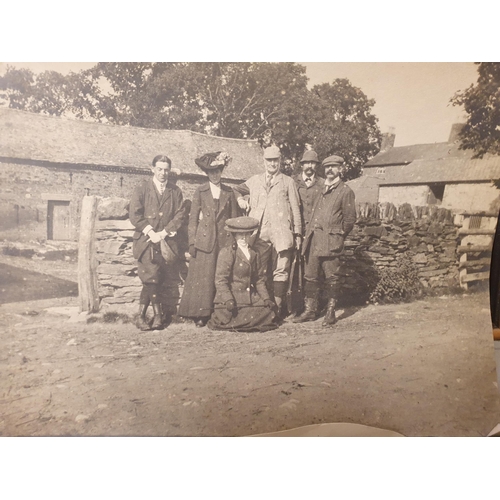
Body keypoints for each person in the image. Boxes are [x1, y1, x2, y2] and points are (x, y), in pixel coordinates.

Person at [233, 145, 302, 318]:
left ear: (280, 161)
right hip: (259, 234)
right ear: (264, 161)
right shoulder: (254, 180)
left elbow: (295, 209)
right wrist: (241, 199)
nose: (272, 163)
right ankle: (261, 307)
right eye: (269, 160)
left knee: (281, 270)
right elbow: (236, 189)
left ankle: (277, 309)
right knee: (259, 271)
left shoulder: (288, 182)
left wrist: (298, 233)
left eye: (275, 160)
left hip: (281, 234)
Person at [293, 155, 356, 326]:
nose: (330, 170)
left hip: (330, 241)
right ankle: (310, 311)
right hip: (313, 240)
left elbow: (350, 220)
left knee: (332, 277)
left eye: (334, 167)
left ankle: (331, 311)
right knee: (310, 276)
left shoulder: (345, 191)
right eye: (327, 167)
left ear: (340, 170)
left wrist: (338, 234)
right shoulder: (321, 188)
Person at [178, 152, 239, 327]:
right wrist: (192, 243)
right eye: (212, 172)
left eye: (218, 171)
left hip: (225, 241)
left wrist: (233, 242)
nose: (215, 174)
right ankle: (201, 314)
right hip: (205, 240)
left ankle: (220, 311)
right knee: (204, 277)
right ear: (207, 173)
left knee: (221, 276)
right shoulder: (201, 191)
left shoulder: (229, 191)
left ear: (221, 171)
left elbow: (234, 219)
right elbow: (192, 219)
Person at [129, 154, 186, 331]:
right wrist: (150, 231)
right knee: (152, 277)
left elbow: (180, 215)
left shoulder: (175, 191)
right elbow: (135, 215)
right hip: (146, 241)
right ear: (152, 169)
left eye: (166, 170)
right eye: (159, 169)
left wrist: (163, 232)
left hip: (165, 242)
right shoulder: (142, 188)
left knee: (154, 279)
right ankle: (158, 315)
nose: (163, 173)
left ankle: (140, 316)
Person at [207, 216, 277, 332]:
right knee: (229, 315)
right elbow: (220, 281)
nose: (244, 238)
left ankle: (244, 321)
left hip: (250, 298)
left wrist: (266, 299)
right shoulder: (228, 252)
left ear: (250, 235)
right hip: (233, 299)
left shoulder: (254, 253)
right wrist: (228, 299)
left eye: (247, 234)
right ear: (234, 236)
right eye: (240, 235)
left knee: (269, 312)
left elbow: (259, 280)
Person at [293, 150, 325, 234]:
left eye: (313, 163)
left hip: (316, 231)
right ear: (302, 165)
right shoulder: (293, 182)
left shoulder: (323, 184)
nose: (309, 166)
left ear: (317, 165)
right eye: (307, 163)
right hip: (297, 230)